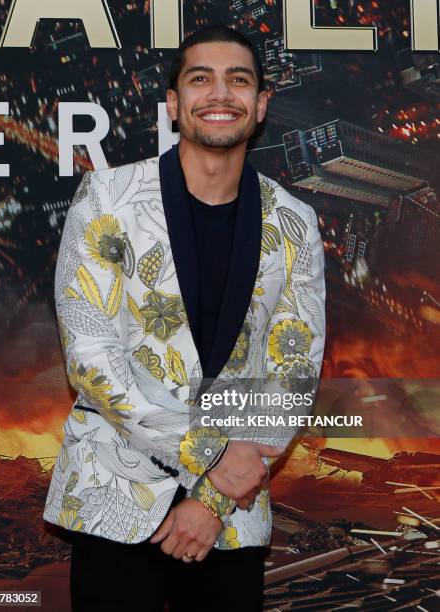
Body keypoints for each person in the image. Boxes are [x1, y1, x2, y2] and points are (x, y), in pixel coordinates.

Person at [43, 24, 326, 612]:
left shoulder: (295, 220)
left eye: (238, 80)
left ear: (262, 103)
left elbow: (292, 371)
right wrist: (213, 459)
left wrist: (214, 498)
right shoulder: (107, 198)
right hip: (115, 503)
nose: (220, 94)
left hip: (232, 514)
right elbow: (93, 360)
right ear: (174, 103)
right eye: (201, 79)